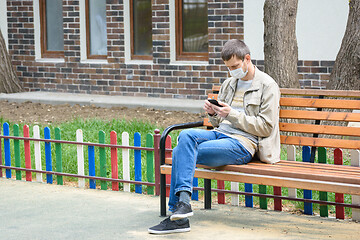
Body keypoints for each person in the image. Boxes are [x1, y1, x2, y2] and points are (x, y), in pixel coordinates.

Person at [148, 39, 280, 234]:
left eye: (235, 66)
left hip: (243, 144)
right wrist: (213, 113)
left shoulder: (267, 86)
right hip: (219, 134)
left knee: (180, 152)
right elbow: (218, 123)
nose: (232, 71)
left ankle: (178, 214)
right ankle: (183, 204)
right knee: (185, 136)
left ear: (247, 59)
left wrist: (231, 114)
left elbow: (266, 127)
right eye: (228, 68)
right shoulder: (230, 83)